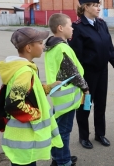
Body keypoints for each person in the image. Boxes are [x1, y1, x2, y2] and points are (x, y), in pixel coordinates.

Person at [0, 27, 63, 166]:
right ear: (28, 47)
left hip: (22, 141)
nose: (43, 46)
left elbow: (30, 92)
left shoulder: (24, 67)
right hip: (24, 140)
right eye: (40, 43)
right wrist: (35, 113)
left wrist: (48, 87)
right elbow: (14, 103)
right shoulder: (24, 71)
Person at [68, 0, 114, 149]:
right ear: (86, 7)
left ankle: (100, 134)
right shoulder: (77, 27)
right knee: (85, 105)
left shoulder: (101, 24)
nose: (99, 8)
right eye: (96, 5)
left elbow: (108, 46)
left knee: (101, 104)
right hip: (87, 74)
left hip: (102, 71)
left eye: (99, 5)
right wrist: (79, 77)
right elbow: (75, 55)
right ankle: (84, 137)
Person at [45, 13, 90, 166]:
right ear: (60, 28)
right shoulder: (62, 48)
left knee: (58, 130)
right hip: (66, 99)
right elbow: (74, 73)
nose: (72, 29)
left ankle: (60, 157)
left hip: (58, 96)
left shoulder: (52, 46)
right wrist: (85, 88)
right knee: (63, 131)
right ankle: (63, 162)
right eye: (70, 26)